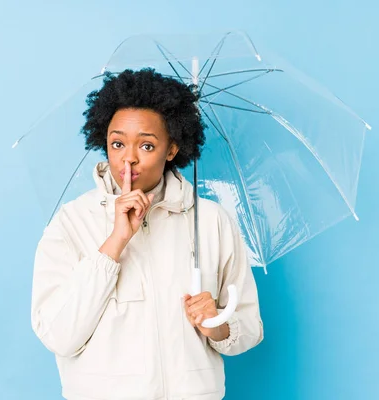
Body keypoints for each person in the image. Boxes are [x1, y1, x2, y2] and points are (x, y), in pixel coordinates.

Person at [30, 68, 264, 400]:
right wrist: (115, 242)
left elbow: (250, 328)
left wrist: (218, 325)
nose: (129, 157)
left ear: (172, 149)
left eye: (147, 145)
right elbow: (58, 335)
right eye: (117, 143)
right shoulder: (70, 223)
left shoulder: (210, 221)